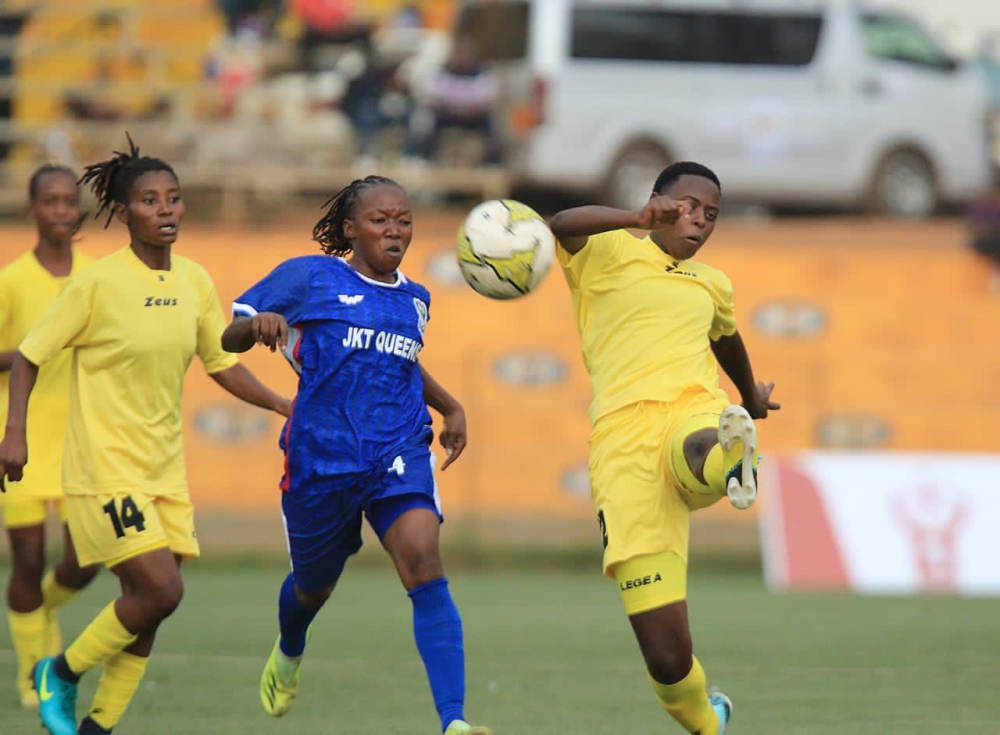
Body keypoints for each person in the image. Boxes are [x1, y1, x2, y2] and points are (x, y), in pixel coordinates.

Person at [0, 136, 291, 735]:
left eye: (174, 198)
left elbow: (222, 362)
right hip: (105, 467)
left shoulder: (193, 280)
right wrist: (16, 433)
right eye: (150, 200)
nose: (166, 209)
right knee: (161, 588)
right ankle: (60, 669)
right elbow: (29, 357)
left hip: (164, 468)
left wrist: (285, 404)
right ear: (124, 212)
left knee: (150, 606)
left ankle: (97, 726)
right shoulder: (97, 284)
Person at [221, 175, 492, 735]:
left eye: (404, 220)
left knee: (422, 559)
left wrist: (450, 406)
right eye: (379, 220)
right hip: (320, 458)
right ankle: (291, 647)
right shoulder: (310, 277)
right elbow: (229, 337)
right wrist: (256, 326)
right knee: (311, 587)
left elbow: (401, 362)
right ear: (350, 229)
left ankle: (455, 722)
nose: (395, 230)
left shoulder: (416, 298)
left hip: (396, 448)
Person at [548, 161, 780, 735]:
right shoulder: (605, 253)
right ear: (657, 202)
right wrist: (632, 219)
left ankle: (732, 458)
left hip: (693, 413)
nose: (700, 221)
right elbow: (560, 223)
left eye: (712, 215)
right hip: (622, 447)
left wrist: (750, 396)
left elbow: (726, 337)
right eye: (689, 206)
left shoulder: (712, 283)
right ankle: (708, 720)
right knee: (668, 660)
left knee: (703, 438)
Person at [1, 165, 100, 710]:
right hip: (20, 437)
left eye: (69, 201)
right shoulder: (12, 280)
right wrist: (37, 349)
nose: (61, 210)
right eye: (50, 201)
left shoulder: (96, 276)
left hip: (81, 441)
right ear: (32, 208)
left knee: (87, 559)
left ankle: (44, 609)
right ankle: (30, 672)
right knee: (29, 558)